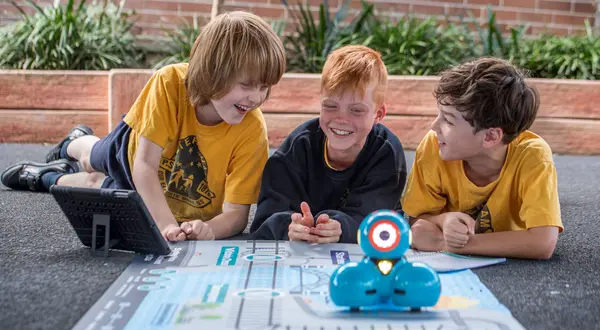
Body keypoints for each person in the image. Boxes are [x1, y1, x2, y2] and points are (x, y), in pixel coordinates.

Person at [1, 11, 286, 242]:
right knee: (93, 158)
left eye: (264, 87)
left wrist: (210, 229)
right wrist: (165, 227)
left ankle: (46, 177)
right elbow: (145, 166)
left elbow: (236, 215)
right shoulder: (168, 82)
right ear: (213, 73)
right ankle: (73, 143)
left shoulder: (252, 130)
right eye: (247, 84)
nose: (257, 97)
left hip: (169, 193)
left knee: (94, 185)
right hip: (131, 156)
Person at [403, 57, 562, 260]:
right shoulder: (434, 146)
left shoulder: (534, 157)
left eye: (448, 120)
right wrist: (443, 220)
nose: (434, 127)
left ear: (490, 136)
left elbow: (542, 243)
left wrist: (447, 244)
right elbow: (418, 223)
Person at [248, 45, 407, 244]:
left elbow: (378, 223)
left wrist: (341, 229)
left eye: (356, 110)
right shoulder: (297, 148)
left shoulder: (386, 153)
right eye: (331, 106)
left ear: (379, 114)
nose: (341, 119)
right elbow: (264, 219)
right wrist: (290, 226)